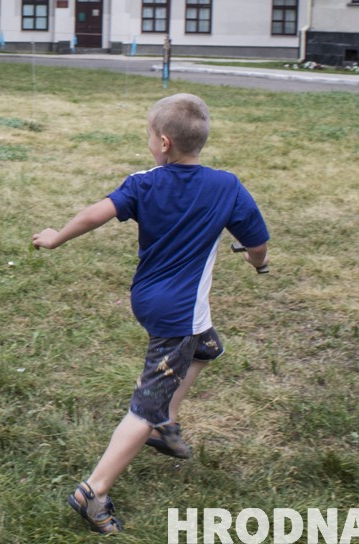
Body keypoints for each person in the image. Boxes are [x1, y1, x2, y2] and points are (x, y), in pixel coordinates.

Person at [32, 93, 270, 534]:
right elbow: (257, 245)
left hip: (155, 301)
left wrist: (55, 237)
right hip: (176, 315)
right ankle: (94, 491)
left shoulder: (144, 182)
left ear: (163, 142)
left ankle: (165, 425)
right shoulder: (227, 186)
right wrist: (259, 265)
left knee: (208, 348)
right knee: (147, 403)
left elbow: (95, 214)